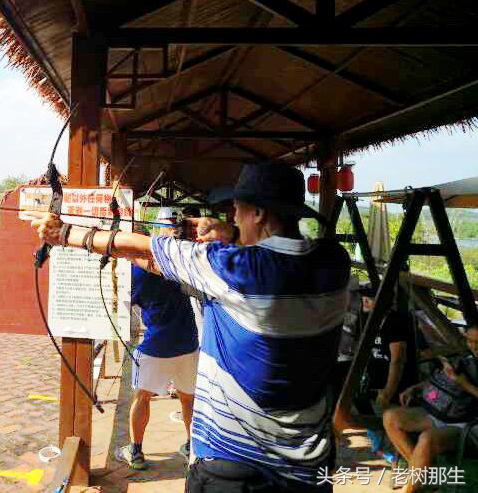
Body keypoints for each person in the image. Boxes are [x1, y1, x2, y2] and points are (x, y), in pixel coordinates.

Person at [27, 163, 351, 492]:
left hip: (235, 468)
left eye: (236, 211)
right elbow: (280, 251)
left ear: (258, 213)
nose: (233, 217)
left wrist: (66, 234)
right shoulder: (333, 262)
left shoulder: (235, 268)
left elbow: (145, 250)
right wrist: (232, 234)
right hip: (309, 468)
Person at [114, 217, 199, 469]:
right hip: (188, 341)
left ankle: (136, 451)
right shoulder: (177, 263)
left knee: (142, 397)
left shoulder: (136, 272)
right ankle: (191, 446)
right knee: (188, 398)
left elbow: (129, 299)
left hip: (157, 346)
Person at [382, 325, 478, 493]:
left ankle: (412, 487)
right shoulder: (467, 359)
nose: (474, 346)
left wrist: (464, 384)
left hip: (466, 425)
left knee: (427, 439)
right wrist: (417, 387)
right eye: (470, 341)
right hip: (443, 412)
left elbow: (460, 382)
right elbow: (447, 379)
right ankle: (425, 475)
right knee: (390, 417)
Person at [362, 293, 431, 410]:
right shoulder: (371, 320)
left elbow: (398, 360)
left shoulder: (394, 323)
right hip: (378, 382)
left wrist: (388, 392)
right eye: (363, 298)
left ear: (381, 302)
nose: (364, 302)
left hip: (396, 387)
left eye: (369, 299)